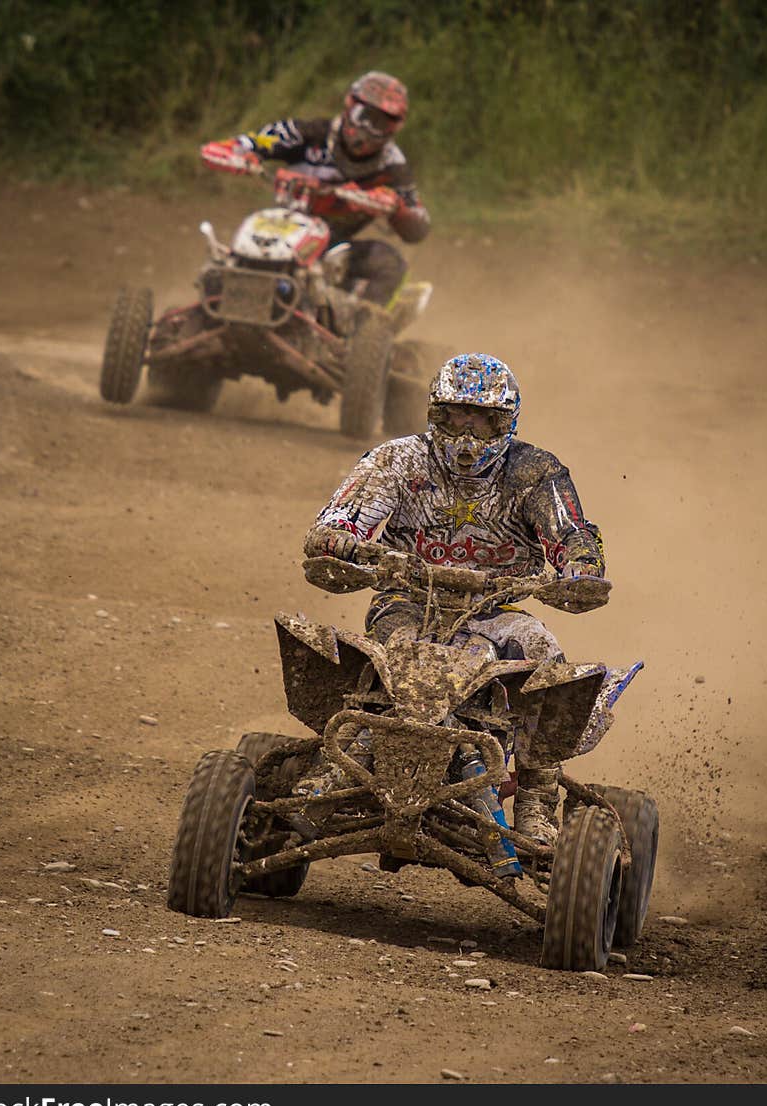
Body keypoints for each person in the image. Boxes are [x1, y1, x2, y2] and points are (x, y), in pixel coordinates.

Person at [303, 352, 606, 842]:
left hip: (498, 612)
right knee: (388, 657)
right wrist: (341, 540)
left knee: (547, 658)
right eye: (458, 416)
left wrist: (581, 568)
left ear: (506, 422)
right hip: (406, 600)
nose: (469, 436)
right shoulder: (398, 459)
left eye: (485, 421)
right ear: (436, 413)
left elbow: (572, 534)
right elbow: (338, 520)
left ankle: (536, 801)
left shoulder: (536, 472)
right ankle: (339, 765)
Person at [201, 71, 429, 307]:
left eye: (380, 125)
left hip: (335, 248)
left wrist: (396, 207)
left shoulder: (392, 165)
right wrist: (233, 154)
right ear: (349, 106)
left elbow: (418, 226)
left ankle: (364, 338)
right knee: (221, 265)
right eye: (364, 117)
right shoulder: (306, 133)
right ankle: (205, 312)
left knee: (390, 264)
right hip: (282, 229)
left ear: (393, 130)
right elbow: (252, 141)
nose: (369, 130)